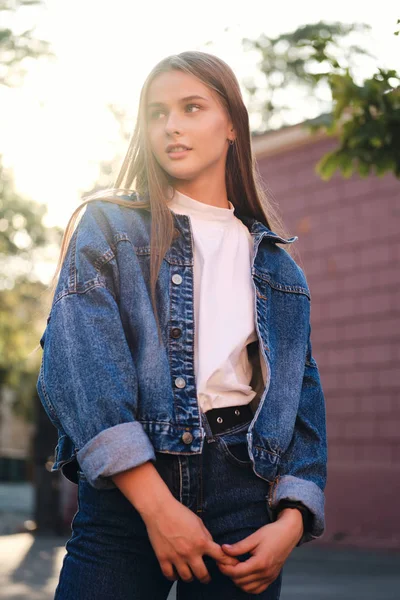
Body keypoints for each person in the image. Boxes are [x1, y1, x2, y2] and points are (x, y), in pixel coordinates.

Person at [36, 50, 327, 599]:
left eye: (192, 107)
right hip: (127, 500)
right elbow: (80, 368)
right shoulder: (108, 230)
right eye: (156, 112)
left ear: (233, 126)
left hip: (245, 499)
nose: (171, 126)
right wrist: (156, 506)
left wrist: (291, 520)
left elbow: (301, 399)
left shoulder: (279, 268)